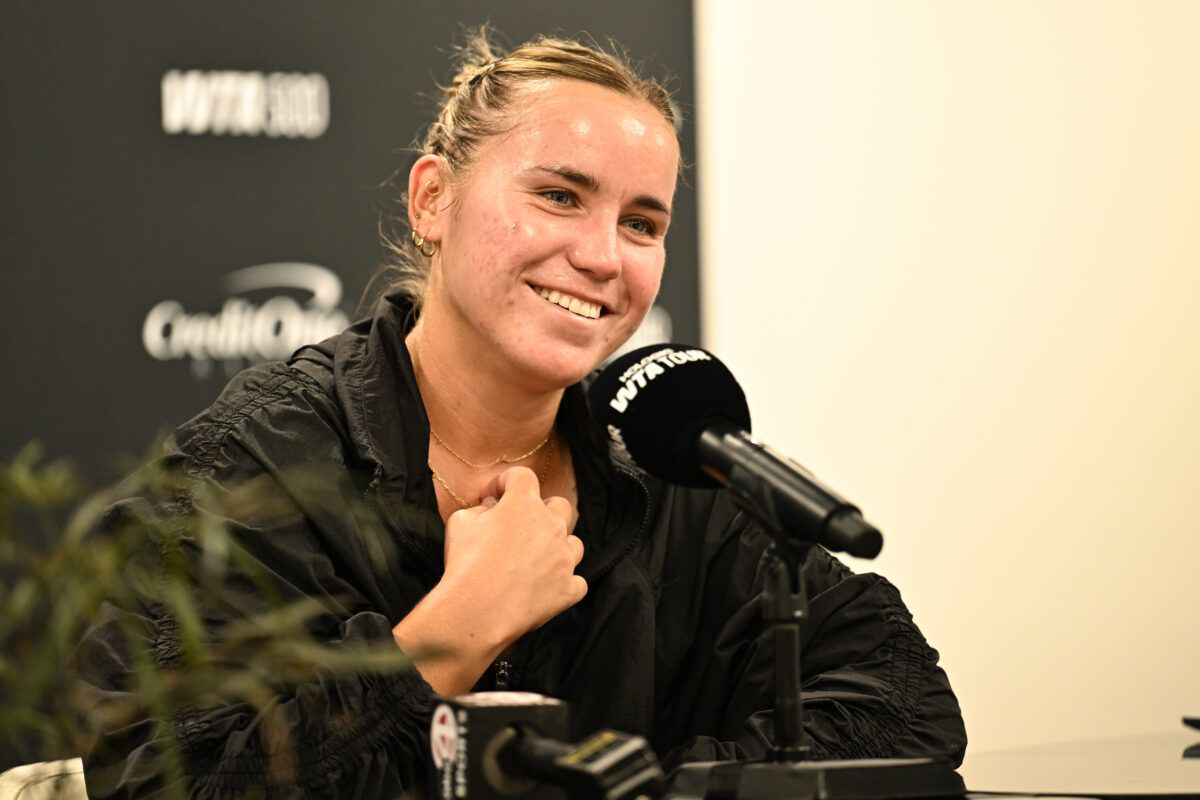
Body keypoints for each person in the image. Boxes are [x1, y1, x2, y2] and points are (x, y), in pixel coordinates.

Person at [71, 30, 967, 798]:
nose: (603, 256)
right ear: (433, 199)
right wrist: (449, 635)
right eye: (560, 196)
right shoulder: (261, 456)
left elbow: (905, 706)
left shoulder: (669, 472)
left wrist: (624, 784)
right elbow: (162, 775)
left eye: (642, 223)